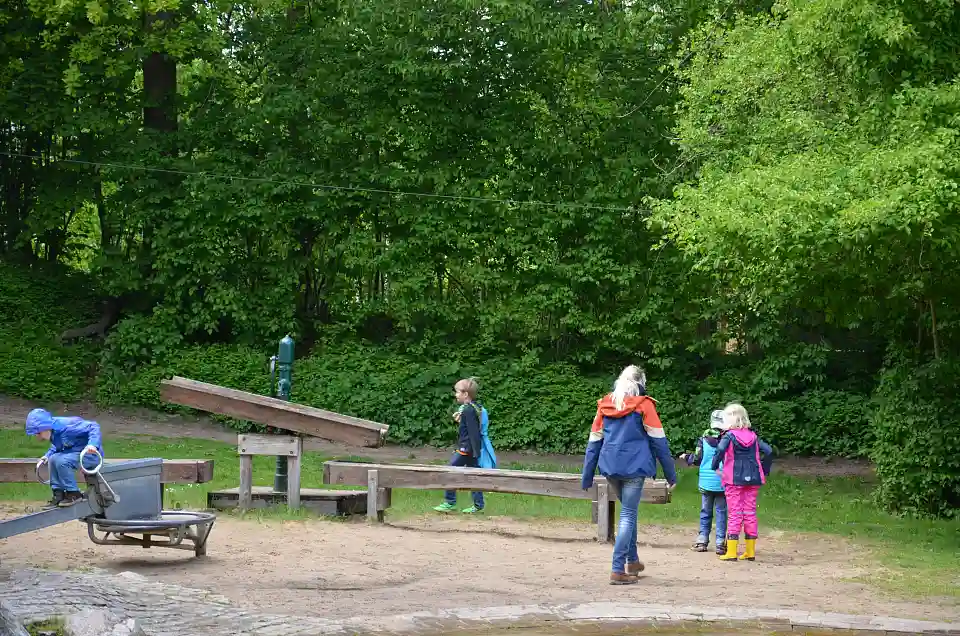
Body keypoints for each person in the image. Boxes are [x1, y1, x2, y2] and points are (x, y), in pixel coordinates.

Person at [581, 367, 677, 585]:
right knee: (628, 515)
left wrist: (587, 475)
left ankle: (632, 561)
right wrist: (671, 475)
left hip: (610, 467)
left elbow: (594, 442)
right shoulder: (644, 405)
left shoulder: (605, 405)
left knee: (628, 513)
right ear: (641, 383)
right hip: (635, 467)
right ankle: (618, 569)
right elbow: (659, 442)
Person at [711, 403, 773, 562]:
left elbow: (719, 451)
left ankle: (732, 552)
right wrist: (764, 470)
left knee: (735, 514)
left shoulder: (729, 436)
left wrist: (714, 466)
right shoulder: (753, 436)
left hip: (733, 479)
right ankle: (750, 552)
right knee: (750, 513)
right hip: (753, 478)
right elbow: (769, 451)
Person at [25, 408, 103, 508]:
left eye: (38, 433)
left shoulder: (68, 426)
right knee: (53, 459)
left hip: (90, 454)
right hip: (73, 452)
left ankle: (74, 494)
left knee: (62, 461)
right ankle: (58, 494)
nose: (38, 437)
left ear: (46, 427)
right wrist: (47, 456)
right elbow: (59, 445)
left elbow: (93, 426)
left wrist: (92, 445)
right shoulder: (54, 431)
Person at [433, 378, 485, 514]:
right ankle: (478, 505)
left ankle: (450, 502)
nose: (455, 395)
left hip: (466, 449)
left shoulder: (469, 410)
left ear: (465, 394)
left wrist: (473, 450)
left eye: (457, 392)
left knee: (449, 471)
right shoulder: (474, 407)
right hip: (471, 449)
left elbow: (473, 431)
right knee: (475, 475)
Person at [680, 410, 729, 554]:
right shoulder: (728, 439)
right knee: (721, 512)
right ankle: (720, 543)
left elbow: (697, 458)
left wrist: (686, 457)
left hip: (706, 482)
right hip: (722, 481)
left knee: (705, 511)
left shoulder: (704, 437)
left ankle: (702, 540)